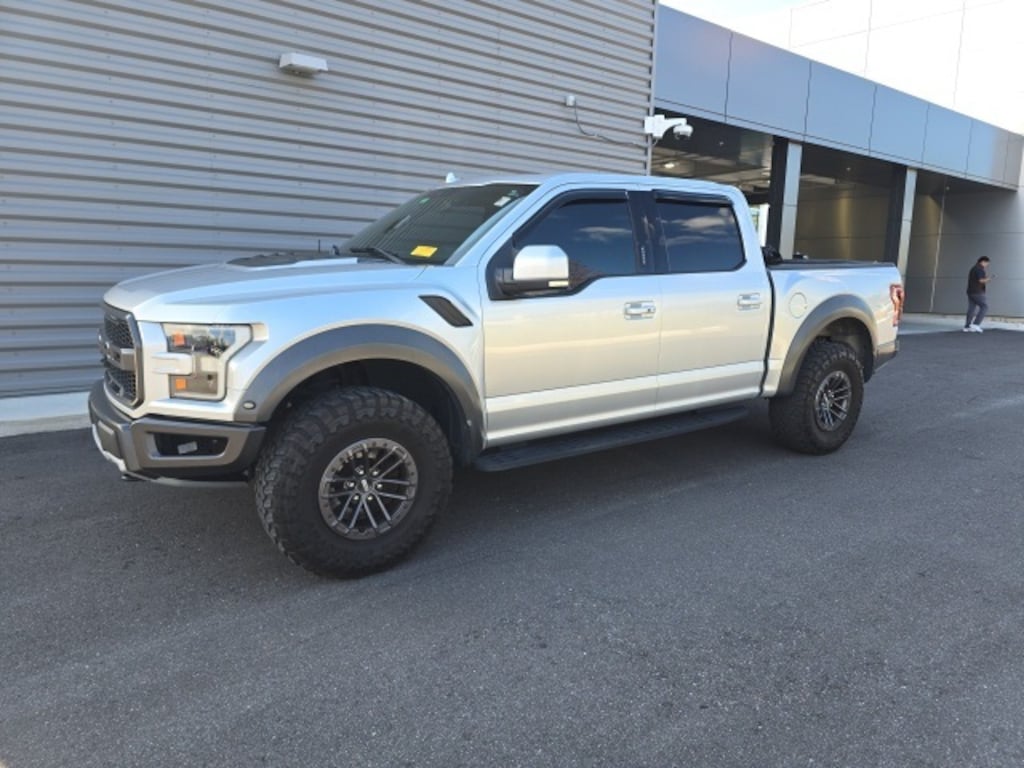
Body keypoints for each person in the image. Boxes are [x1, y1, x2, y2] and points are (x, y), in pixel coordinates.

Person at [964, 256, 992, 332]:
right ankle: (976, 324)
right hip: (977, 291)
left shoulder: (973, 268)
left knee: (971, 308)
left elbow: (977, 279)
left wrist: (985, 278)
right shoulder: (980, 269)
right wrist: (988, 279)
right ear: (983, 262)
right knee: (984, 307)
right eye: (987, 263)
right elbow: (981, 280)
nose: (987, 265)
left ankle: (967, 326)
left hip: (970, 291)